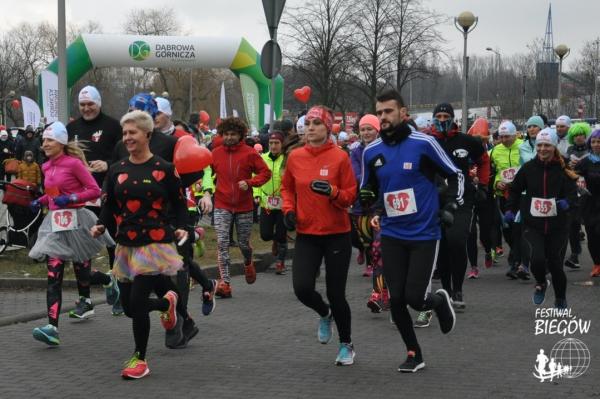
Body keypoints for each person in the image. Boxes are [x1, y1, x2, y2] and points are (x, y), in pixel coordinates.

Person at [360, 90, 461, 372]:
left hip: (424, 233)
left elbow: (455, 174)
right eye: (379, 113)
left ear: (403, 113)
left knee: (415, 298)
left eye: (388, 112)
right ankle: (414, 353)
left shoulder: (424, 143)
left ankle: (438, 300)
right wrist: (367, 199)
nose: (383, 117)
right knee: (397, 299)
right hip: (392, 233)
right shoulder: (371, 151)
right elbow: (368, 188)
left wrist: (451, 205)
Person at [91, 110, 187, 379]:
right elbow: (109, 206)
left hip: (154, 243)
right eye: (125, 133)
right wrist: (101, 225)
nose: (127, 138)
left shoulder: (164, 169)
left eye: (132, 132)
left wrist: (182, 226)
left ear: (147, 134)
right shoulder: (117, 169)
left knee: (137, 299)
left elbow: (180, 203)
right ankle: (166, 304)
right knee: (132, 309)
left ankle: (140, 359)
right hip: (126, 245)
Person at [281, 105, 357, 366]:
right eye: (308, 123)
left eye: (317, 124)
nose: (311, 128)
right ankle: (324, 314)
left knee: (337, 294)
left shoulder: (340, 158)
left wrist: (333, 193)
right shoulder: (295, 157)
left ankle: (346, 344)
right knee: (302, 288)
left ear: (327, 128)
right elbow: (287, 188)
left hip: (337, 234)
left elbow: (350, 196)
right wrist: (289, 210)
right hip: (307, 233)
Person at [29, 122, 115, 346]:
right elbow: (52, 194)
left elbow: (94, 191)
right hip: (55, 225)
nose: (45, 144)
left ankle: (107, 280)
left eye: (49, 140)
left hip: (77, 222)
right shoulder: (46, 166)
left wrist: (72, 199)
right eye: (44, 140)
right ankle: (52, 328)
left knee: (83, 277)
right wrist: (40, 201)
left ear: (61, 142)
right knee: (53, 275)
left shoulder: (74, 164)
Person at [424, 103, 490, 313]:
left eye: (446, 116)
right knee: (441, 245)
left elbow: (484, 160)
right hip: (435, 199)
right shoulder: (427, 141)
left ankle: (458, 290)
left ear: (453, 119)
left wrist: (484, 185)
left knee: (456, 240)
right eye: (439, 116)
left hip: (462, 199)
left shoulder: (466, 141)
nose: (442, 120)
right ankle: (445, 289)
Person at [505, 129, 577, 309]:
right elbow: (514, 189)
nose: (543, 149)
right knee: (536, 260)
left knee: (555, 264)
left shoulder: (564, 168)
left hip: (558, 226)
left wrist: (567, 202)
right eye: (539, 145)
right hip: (533, 224)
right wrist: (510, 209)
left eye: (547, 145)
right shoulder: (528, 168)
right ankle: (541, 283)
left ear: (554, 147)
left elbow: (574, 194)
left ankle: (560, 298)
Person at [67, 85, 124, 314]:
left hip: (107, 194)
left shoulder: (113, 126)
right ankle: (86, 301)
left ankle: (119, 293)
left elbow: (125, 156)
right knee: (81, 249)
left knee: (112, 244)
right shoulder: (72, 128)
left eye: (90, 104)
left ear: (99, 103)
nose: (86, 108)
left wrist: (107, 165)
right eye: (82, 105)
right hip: (81, 197)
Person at [200, 117, 271, 297]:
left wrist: (250, 182)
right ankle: (225, 283)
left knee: (243, 243)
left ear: (240, 135)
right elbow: (207, 173)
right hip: (222, 204)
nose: (229, 137)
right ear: (221, 135)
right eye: (226, 134)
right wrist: (206, 189)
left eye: (233, 134)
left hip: (244, 206)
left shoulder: (249, 153)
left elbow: (266, 172)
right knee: (222, 243)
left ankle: (248, 261)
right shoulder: (215, 153)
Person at [349, 114, 388, 312]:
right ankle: (385, 289)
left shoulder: (386, 148)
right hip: (361, 205)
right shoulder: (355, 151)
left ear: (378, 130)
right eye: (363, 129)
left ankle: (378, 293)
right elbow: (355, 173)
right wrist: (367, 184)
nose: (366, 132)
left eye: (370, 129)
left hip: (382, 206)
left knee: (378, 248)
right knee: (369, 247)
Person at [489, 121, 525, 279]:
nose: (503, 140)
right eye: (501, 137)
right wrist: (497, 182)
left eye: (506, 137)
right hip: (503, 194)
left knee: (519, 228)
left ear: (514, 135)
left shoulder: (523, 146)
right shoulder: (495, 151)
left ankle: (516, 261)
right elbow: (492, 172)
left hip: (521, 194)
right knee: (507, 229)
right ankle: (516, 254)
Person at [254, 131, 288, 275]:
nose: (273, 146)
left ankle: (280, 262)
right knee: (265, 235)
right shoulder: (262, 159)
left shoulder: (287, 159)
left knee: (281, 234)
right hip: (266, 202)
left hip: (283, 203)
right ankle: (275, 241)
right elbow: (255, 177)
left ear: (282, 144)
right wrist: (256, 195)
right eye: (271, 143)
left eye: (277, 143)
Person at [564, 122, 592, 269]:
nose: (579, 137)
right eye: (575, 135)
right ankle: (575, 255)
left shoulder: (592, 150)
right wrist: (570, 167)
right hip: (574, 191)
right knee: (573, 223)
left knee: (590, 225)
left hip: (591, 191)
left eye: (581, 134)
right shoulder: (569, 150)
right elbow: (565, 168)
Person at [574, 129, 600, 277]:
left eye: (599, 142)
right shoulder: (586, 161)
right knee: (592, 235)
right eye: (594, 142)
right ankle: (597, 263)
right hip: (590, 203)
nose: (596, 145)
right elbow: (572, 176)